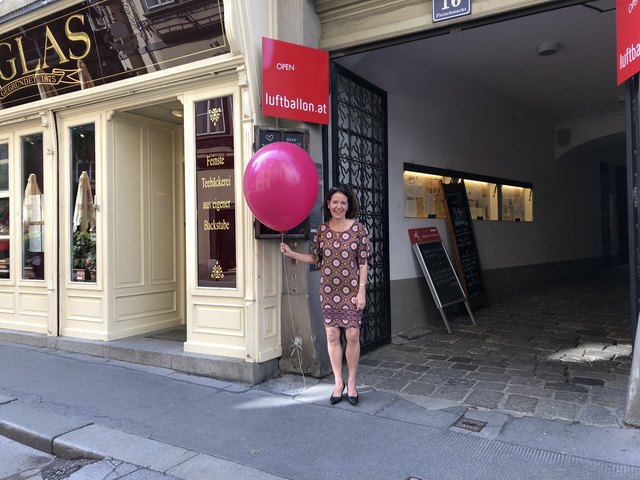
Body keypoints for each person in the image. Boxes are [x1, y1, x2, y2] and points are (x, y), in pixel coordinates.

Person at [280, 186, 371, 406]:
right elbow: (316, 259)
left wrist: (362, 291)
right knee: (332, 336)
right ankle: (338, 383)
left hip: (352, 292)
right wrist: (292, 253)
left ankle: (352, 383)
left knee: (352, 336)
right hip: (329, 292)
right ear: (328, 205)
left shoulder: (359, 229)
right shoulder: (322, 230)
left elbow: (363, 262)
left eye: (343, 203)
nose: (338, 206)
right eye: (335, 202)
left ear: (348, 206)